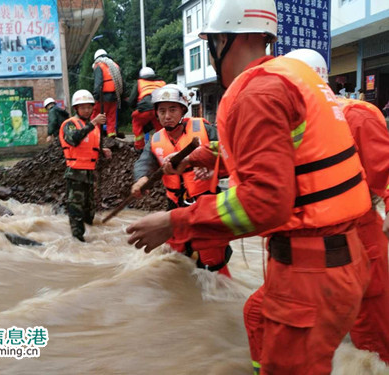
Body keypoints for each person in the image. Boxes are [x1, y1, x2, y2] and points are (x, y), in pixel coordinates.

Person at [126, 1, 372, 374]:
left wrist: (172, 222)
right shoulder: (293, 79)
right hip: (338, 256)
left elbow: (264, 203)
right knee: (256, 314)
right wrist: (196, 159)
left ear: (224, 39)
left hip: (311, 268)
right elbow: (260, 156)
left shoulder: (257, 94)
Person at [286, 48, 389, 364]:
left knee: (371, 338)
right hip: (310, 244)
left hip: (361, 233)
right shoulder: (292, 123)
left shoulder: (357, 116)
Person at [131, 84, 232, 276]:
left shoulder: (205, 129)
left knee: (212, 257)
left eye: (172, 109)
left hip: (207, 202)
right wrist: (140, 180)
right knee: (176, 257)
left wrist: (214, 170)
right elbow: (144, 163)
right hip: (175, 205)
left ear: (183, 110)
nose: (167, 115)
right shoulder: (155, 140)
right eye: (162, 111)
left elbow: (230, 155)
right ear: (156, 114)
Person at [59, 89, 111, 242]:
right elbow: (74, 139)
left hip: (89, 173)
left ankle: (92, 239)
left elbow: (88, 145)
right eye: (83, 107)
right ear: (76, 108)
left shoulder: (91, 127)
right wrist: (94, 123)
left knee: (89, 209)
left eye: (89, 107)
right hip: (75, 173)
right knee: (76, 208)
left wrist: (102, 150)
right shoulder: (70, 124)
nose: (87, 110)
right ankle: (77, 239)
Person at [128, 67, 166, 152]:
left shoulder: (139, 82)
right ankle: (163, 145)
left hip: (145, 108)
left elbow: (131, 100)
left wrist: (134, 106)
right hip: (159, 109)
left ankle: (139, 147)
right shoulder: (162, 83)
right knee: (160, 127)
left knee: (136, 123)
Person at [91, 49, 123, 138]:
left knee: (96, 116)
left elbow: (98, 83)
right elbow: (121, 82)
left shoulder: (99, 65)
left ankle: (95, 135)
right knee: (111, 118)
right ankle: (111, 136)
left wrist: (95, 97)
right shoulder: (115, 66)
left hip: (102, 97)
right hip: (115, 96)